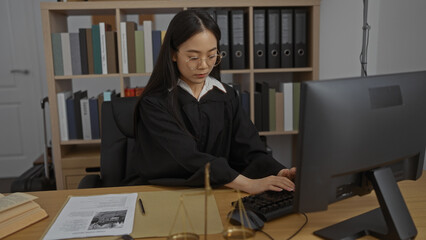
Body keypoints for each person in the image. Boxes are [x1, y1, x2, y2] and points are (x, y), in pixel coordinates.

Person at [131, 9, 296, 194]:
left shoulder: (226, 96)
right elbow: (187, 157)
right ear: (173, 54)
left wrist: (278, 172)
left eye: (211, 56)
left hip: (219, 189)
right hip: (170, 193)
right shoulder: (154, 103)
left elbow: (249, 149)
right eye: (193, 57)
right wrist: (247, 184)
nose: (203, 65)